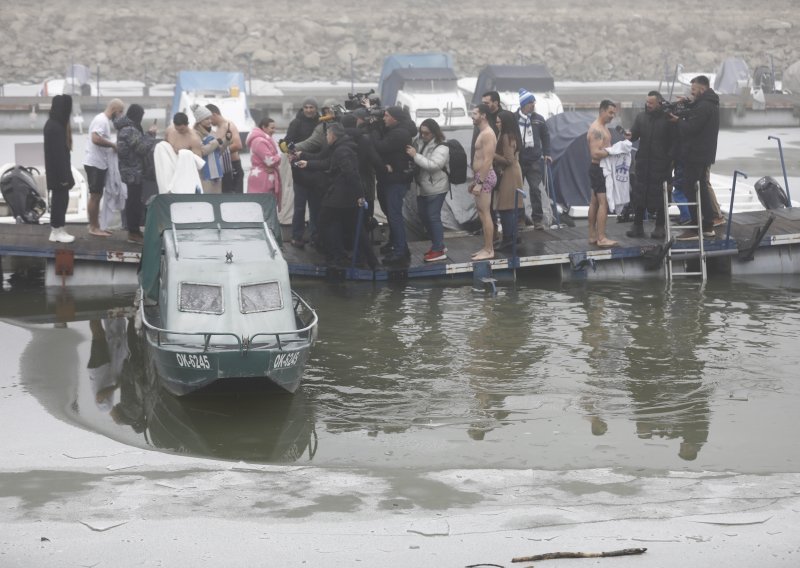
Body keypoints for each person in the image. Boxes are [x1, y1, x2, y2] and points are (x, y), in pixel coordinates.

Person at [296, 123, 377, 269]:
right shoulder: (340, 148)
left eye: (327, 134)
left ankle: (336, 257)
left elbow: (351, 174)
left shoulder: (342, 151)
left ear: (333, 135)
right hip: (345, 196)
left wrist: (360, 195)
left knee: (324, 223)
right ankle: (370, 261)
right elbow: (328, 163)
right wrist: (307, 163)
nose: (326, 137)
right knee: (353, 228)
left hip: (340, 197)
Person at [670, 75, 720, 241]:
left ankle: (694, 229)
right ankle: (707, 226)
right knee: (702, 190)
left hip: (695, 154)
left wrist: (677, 121)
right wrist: (690, 102)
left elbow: (691, 128)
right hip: (705, 154)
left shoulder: (704, 106)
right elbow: (698, 114)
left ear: (702, 89)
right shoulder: (710, 103)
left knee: (690, 188)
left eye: (693, 90)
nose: (692, 92)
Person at [625, 91, 675, 240]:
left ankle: (660, 227)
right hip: (643, 163)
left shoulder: (668, 119)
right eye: (647, 102)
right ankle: (637, 226)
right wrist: (630, 135)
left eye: (651, 103)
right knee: (639, 194)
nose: (648, 105)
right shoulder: (641, 117)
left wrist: (671, 161)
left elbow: (674, 142)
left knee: (661, 196)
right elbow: (634, 134)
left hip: (662, 164)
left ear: (659, 103)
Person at [371, 106, 417, 265]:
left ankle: (401, 251)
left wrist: (374, 129)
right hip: (388, 178)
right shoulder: (396, 130)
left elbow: (380, 146)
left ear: (395, 118)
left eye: (386, 116)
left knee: (394, 214)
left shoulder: (400, 133)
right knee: (389, 213)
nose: (383, 118)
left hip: (396, 179)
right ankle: (394, 243)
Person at [113, 104, 159, 244]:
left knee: (135, 200)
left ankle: (134, 231)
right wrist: (151, 135)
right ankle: (133, 232)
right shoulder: (129, 130)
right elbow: (141, 148)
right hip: (132, 171)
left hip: (133, 170)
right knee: (134, 202)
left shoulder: (128, 128)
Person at [406, 118, 450, 262]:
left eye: (426, 133)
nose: (423, 135)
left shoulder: (442, 147)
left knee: (432, 216)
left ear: (434, 133)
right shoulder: (420, 141)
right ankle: (438, 245)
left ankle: (438, 249)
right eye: (421, 132)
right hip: (423, 187)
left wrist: (415, 155)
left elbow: (434, 165)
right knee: (424, 216)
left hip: (437, 187)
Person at [83, 98, 125, 237]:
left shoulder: (103, 120)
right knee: (95, 196)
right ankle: (93, 227)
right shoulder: (101, 120)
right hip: (94, 163)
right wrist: (113, 145)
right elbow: (95, 138)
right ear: (114, 110)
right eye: (119, 113)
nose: (119, 116)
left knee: (97, 195)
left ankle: (97, 226)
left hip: (99, 163)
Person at [285, 98, 321, 248]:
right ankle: (296, 236)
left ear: (316, 108)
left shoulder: (321, 123)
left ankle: (315, 236)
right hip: (299, 170)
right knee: (299, 207)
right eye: (306, 107)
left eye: (311, 107)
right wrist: (292, 156)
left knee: (316, 206)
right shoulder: (296, 123)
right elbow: (288, 143)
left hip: (316, 167)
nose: (308, 110)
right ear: (302, 109)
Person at [43, 94, 76, 243]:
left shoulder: (55, 124)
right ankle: (56, 230)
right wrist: (64, 177)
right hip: (58, 172)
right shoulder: (54, 127)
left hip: (59, 171)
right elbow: (57, 155)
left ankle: (59, 227)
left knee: (62, 199)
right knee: (59, 199)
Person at [517, 88, 552, 230]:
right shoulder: (514, 119)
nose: (533, 104)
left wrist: (547, 153)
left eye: (534, 102)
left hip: (535, 160)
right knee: (517, 191)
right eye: (530, 102)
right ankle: (520, 220)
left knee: (535, 189)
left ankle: (537, 220)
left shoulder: (539, 119)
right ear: (524, 104)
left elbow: (546, 137)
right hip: (518, 160)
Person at [586, 100, 619, 248]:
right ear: (602, 111)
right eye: (610, 112)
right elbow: (595, 153)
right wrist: (613, 151)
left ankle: (592, 236)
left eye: (614, 113)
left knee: (594, 202)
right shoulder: (597, 129)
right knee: (602, 203)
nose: (613, 116)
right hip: (598, 169)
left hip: (599, 169)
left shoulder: (603, 128)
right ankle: (601, 238)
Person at [468, 103, 498, 261]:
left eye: (475, 113)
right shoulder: (482, 132)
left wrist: (479, 182)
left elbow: (487, 161)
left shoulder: (487, 134)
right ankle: (486, 247)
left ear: (483, 115)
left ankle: (489, 249)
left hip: (485, 177)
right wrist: (475, 181)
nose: (472, 116)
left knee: (485, 214)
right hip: (480, 177)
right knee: (482, 213)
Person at [493, 110, 524, 251]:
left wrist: (492, 154)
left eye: (498, 122)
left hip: (509, 174)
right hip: (514, 172)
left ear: (504, 122)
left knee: (505, 208)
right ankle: (514, 236)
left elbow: (508, 160)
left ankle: (508, 239)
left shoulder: (506, 136)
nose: (496, 124)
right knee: (511, 207)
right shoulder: (512, 135)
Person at [191, 103, 229, 194]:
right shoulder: (194, 134)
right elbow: (202, 151)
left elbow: (218, 152)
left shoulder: (212, 132)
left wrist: (226, 140)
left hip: (216, 172)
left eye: (210, 118)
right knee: (206, 200)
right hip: (204, 174)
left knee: (217, 201)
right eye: (207, 119)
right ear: (199, 120)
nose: (210, 121)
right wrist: (216, 142)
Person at [246, 117, 282, 211]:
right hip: (262, 178)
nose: (274, 131)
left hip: (261, 175)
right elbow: (270, 161)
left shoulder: (261, 140)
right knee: (263, 206)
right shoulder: (259, 141)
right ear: (264, 127)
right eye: (272, 128)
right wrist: (281, 156)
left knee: (262, 206)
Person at [205, 104, 243, 194]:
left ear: (214, 114)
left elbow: (238, 145)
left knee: (234, 198)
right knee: (225, 197)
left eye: (209, 118)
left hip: (233, 167)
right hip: (223, 168)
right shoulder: (216, 129)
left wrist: (218, 152)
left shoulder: (228, 125)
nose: (209, 121)